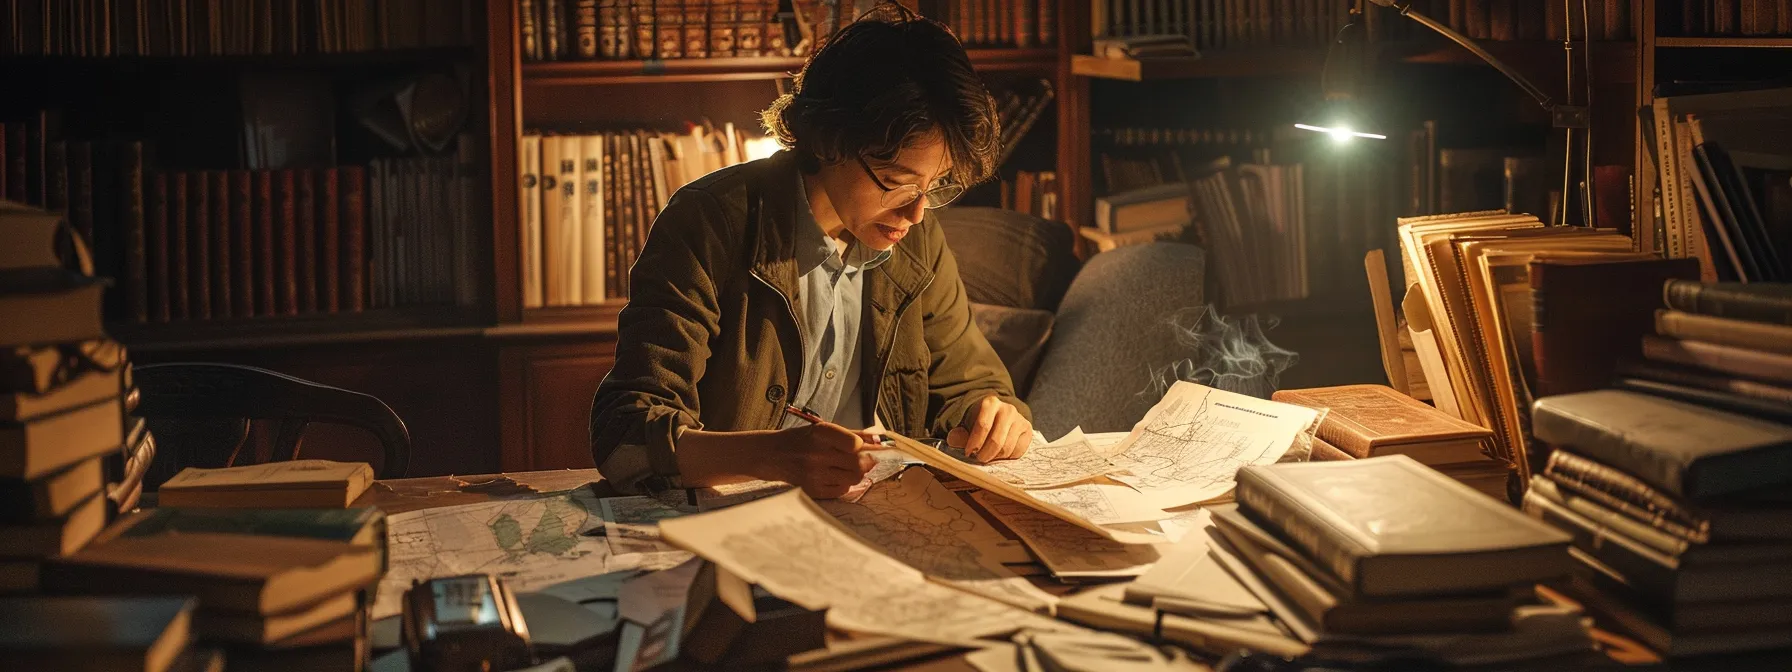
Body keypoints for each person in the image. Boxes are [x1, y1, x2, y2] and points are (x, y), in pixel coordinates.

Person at [588, 6, 1032, 499]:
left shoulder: (917, 241)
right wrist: (775, 455)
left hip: (869, 520)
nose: (917, 213)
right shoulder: (711, 222)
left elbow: (971, 384)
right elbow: (626, 435)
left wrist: (989, 413)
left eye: (937, 185)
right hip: (729, 524)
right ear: (829, 140)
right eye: (897, 183)